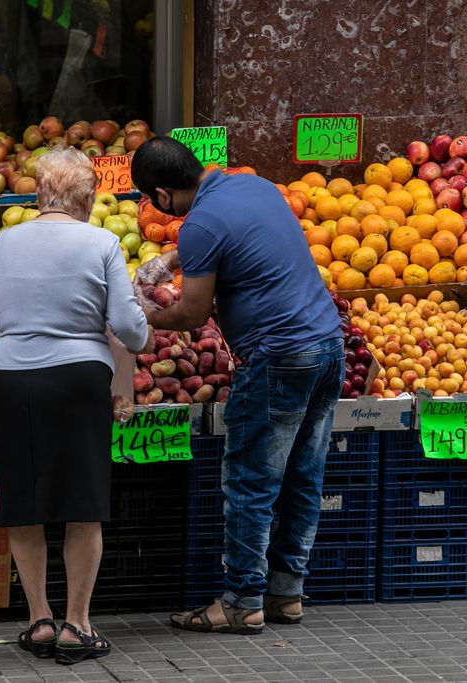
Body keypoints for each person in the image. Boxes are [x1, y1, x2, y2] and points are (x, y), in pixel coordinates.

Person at [131, 137, 344, 634]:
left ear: (162, 195)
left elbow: (193, 311)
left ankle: (242, 601)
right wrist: (172, 260)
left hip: (278, 358)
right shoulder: (256, 187)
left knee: (251, 481)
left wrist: (141, 313)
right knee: (302, 476)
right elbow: (233, 237)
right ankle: (287, 594)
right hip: (327, 347)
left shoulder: (200, 223)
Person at [0, 145, 152, 664]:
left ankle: (38, 621)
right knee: (82, 504)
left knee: (24, 501)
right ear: (87, 195)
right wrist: (139, 337)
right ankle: (76, 626)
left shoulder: (6, 241)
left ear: (38, 194)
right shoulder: (101, 241)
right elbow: (128, 327)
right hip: (78, 377)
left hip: (11, 377)